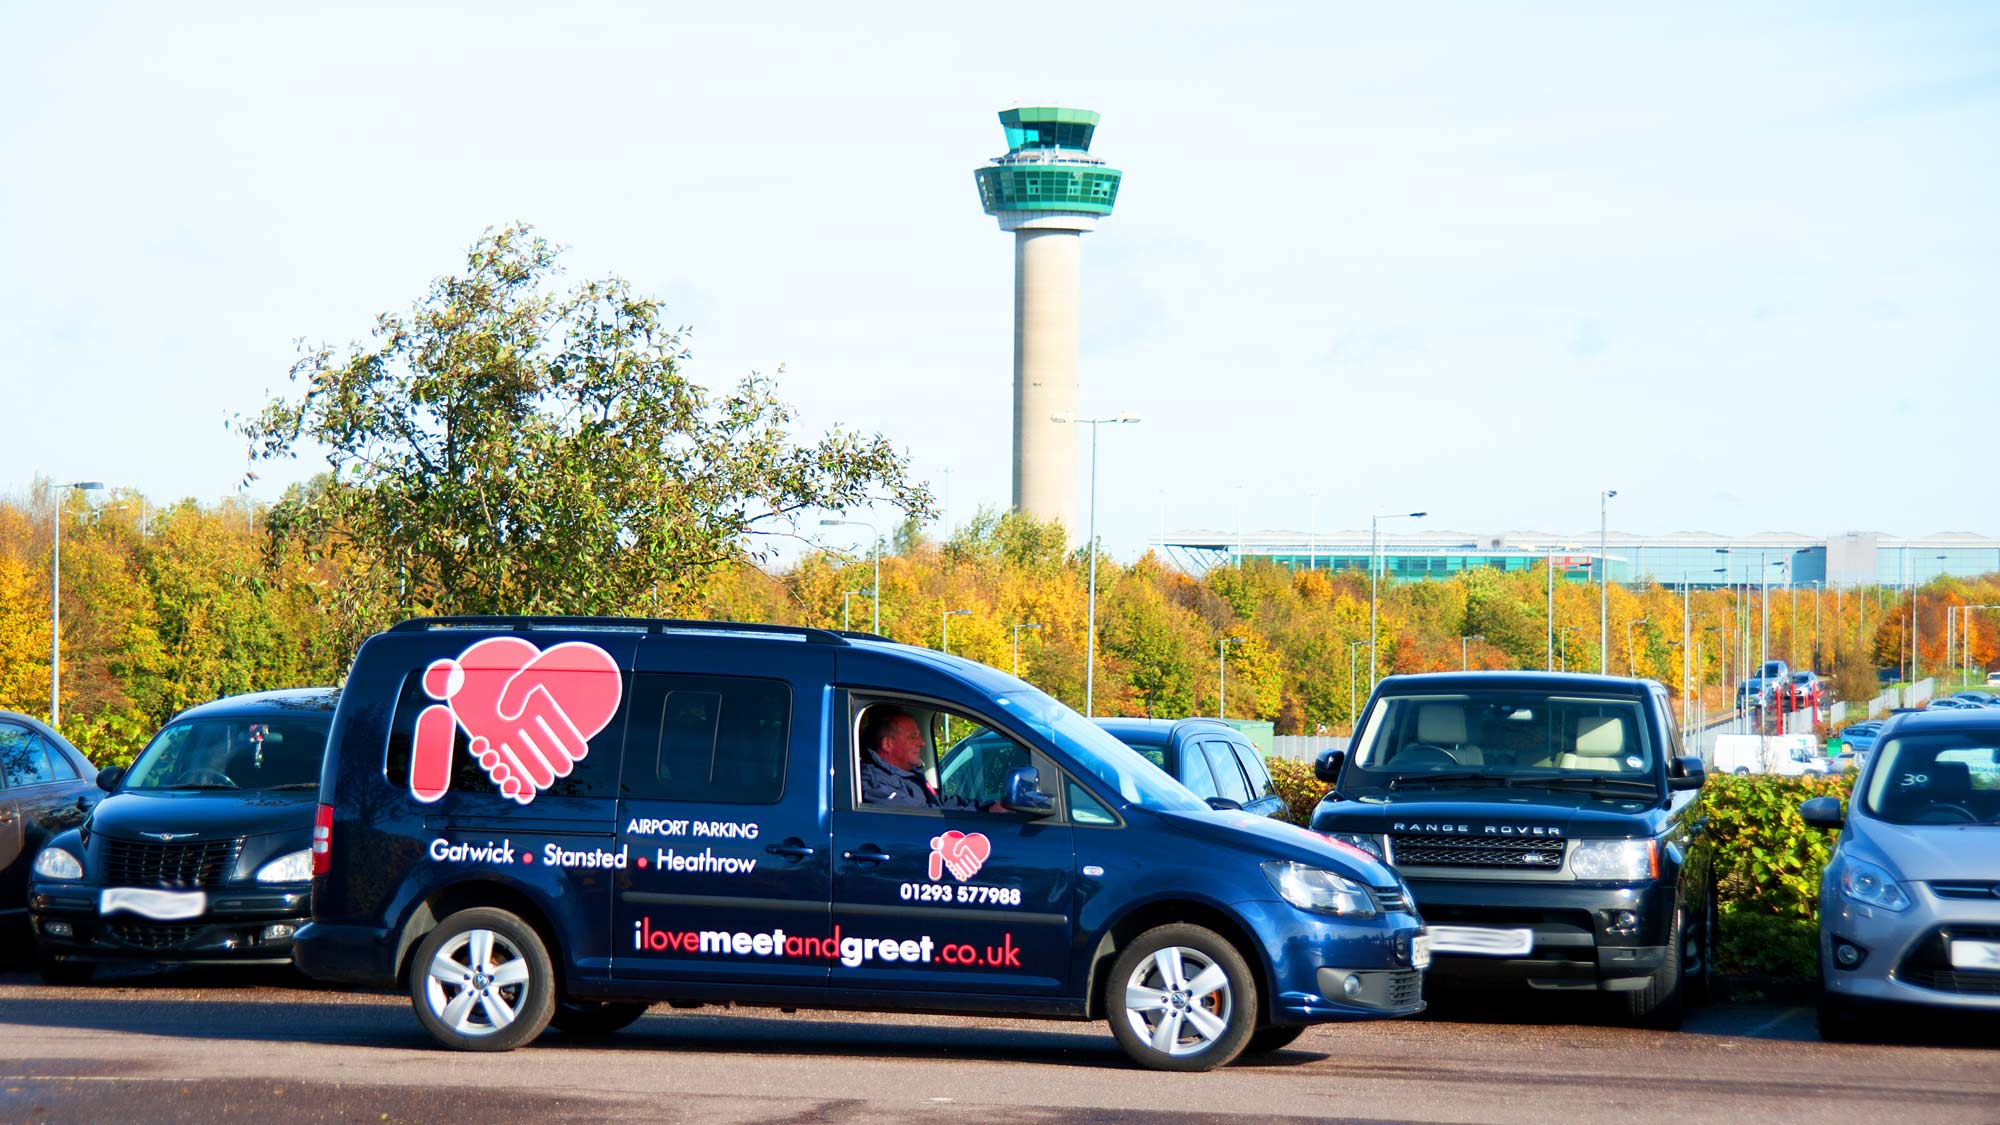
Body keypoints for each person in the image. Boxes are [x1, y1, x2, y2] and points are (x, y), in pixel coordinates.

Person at [857, 706, 996, 811]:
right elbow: (922, 816)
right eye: (913, 737)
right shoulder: (874, 784)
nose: (922, 743)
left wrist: (988, 809)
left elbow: (941, 802)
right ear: (888, 744)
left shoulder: (908, 776)